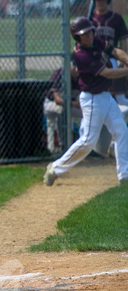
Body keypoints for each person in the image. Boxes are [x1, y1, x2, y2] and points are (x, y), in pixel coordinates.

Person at [44, 17, 128, 186]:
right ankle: (55, 168)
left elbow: (115, 51)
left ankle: (124, 176)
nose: (89, 35)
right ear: (77, 37)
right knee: (88, 140)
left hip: (105, 96)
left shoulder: (95, 40)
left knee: (121, 131)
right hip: (92, 99)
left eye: (90, 31)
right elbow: (107, 73)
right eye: (84, 34)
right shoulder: (81, 55)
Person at [89, 0, 128, 156]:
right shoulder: (89, 19)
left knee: (119, 99)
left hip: (112, 59)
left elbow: (123, 41)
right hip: (95, 62)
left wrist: (124, 60)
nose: (100, 2)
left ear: (108, 1)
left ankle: (116, 143)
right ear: (94, 1)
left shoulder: (116, 18)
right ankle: (99, 146)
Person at [43, 66, 82, 153]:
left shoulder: (82, 74)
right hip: (50, 103)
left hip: (70, 105)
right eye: (74, 65)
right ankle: (63, 145)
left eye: (78, 65)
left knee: (90, 113)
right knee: (62, 110)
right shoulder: (60, 74)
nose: (77, 69)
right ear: (69, 64)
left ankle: (84, 145)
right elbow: (58, 101)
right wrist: (74, 104)